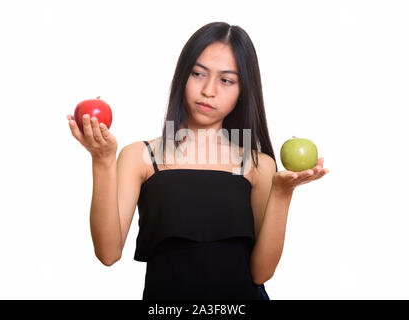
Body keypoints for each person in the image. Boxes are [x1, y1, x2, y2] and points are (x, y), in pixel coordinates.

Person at [66, 22, 329, 300]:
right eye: (198, 74)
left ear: (243, 91)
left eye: (226, 80)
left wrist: (282, 193)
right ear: (183, 77)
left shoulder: (258, 165)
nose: (208, 90)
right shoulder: (140, 157)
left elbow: (261, 273)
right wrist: (102, 160)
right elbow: (108, 254)